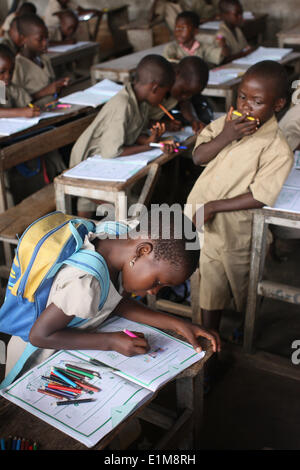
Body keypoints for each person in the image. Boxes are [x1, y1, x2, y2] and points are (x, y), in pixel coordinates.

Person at [4, 210, 221, 381]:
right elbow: (39, 336)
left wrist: (178, 324)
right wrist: (110, 341)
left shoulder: (118, 237)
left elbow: (116, 302)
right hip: (35, 362)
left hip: (67, 347)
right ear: (143, 251)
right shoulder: (86, 285)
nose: (154, 291)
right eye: (157, 282)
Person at [186, 60, 294, 336]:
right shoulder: (226, 124)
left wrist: (213, 206)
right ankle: (210, 341)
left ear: (278, 105)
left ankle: (245, 332)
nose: (246, 106)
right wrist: (226, 136)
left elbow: (260, 195)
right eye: (243, 97)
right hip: (205, 224)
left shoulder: (277, 148)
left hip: (239, 231)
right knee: (210, 284)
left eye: (257, 101)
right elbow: (198, 157)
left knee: (242, 286)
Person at [70, 54, 178, 218]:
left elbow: (132, 134)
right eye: (165, 93)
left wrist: (151, 140)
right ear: (154, 88)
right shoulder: (123, 104)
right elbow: (112, 152)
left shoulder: (141, 104)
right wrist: (149, 146)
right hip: (86, 164)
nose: (164, 99)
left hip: (104, 161)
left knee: (135, 194)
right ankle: (85, 232)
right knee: (130, 207)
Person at [12, 14, 70, 107]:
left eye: (47, 38)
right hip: (35, 114)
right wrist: (44, 92)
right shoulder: (17, 66)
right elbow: (15, 102)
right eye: (40, 39)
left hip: (53, 106)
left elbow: (51, 87)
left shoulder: (44, 58)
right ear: (23, 39)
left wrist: (58, 86)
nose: (45, 43)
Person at [148, 55, 209, 133]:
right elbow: (137, 121)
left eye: (191, 94)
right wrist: (161, 124)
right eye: (184, 91)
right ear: (176, 74)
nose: (185, 97)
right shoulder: (154, 85)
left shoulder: (180, 86)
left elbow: (184, 103)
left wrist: (192, 120)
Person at [0, 44, 39, 117]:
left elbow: (28, 104)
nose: (8, 76)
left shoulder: (10, 88)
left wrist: (32, 109)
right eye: (1, 72)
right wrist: (21, 112)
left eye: (11, 71)